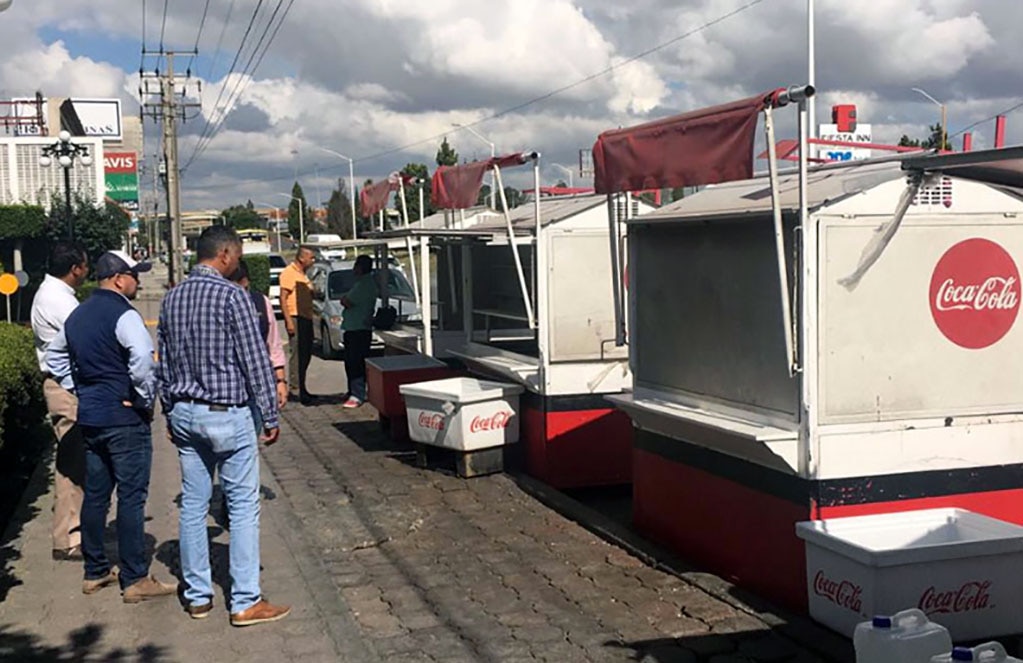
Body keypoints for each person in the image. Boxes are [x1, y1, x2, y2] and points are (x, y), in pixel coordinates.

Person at [157, 225, 290, 626]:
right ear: (227, 255)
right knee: (243, 506)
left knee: (194, 505)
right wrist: (269, 414)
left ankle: (198, 596)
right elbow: (255, 362)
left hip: (184, 412)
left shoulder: (172, 298)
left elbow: (163, 361)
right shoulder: (234, 297)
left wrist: (168, 410)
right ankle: (245, 600)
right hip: (227, 414)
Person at [45, 250, 176, 602]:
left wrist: (79, 387)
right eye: (135, 275)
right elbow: (143, 363)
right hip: (123, 417)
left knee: (97, 495)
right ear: (119, 279)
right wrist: (145, 400)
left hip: (91, 415)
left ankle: (95, 570)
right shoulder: (124, 314)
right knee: (132, 497)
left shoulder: (78, 315)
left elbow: (54, 357)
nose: (137, 281)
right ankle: (135, 578)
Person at [30, 240, 89, 561]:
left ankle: (74, 531)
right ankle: (67, 538)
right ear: (75, 269)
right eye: (85, 265)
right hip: (66, 387)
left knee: (76, 462)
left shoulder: (56, 294)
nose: (87, 270)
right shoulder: (56, 299)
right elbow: (85, 336)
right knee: (71, 464)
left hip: (66, 385)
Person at [229, 258, 288, 409]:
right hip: (228, 389)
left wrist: (280, 381)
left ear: (245, 282)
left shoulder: (261, 302)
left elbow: (273, 344)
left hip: (258, 386)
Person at [278, 246, 316, 404]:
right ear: (302, 258)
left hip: (306, 316)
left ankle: (303, 386)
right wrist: (288, 321)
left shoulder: (303, 274)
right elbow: (283, 298)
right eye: (311, 258)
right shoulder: (289, 273)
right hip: (295, 316)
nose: (313, 261)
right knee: (297, 354)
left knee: (306, 353)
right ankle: (295, 388)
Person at [339, 254, 378, 409]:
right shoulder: (362, 283)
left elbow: (347, 301)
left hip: (358, 328)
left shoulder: (365, 284)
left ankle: (357, 394)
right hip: (352, 327)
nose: (354, 268)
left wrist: (344, 299)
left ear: (361, 267)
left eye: (356, 265)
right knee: (350, 361)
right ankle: (351, 391)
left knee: (356, 363)